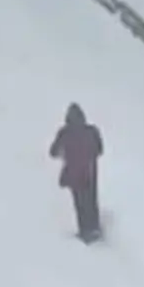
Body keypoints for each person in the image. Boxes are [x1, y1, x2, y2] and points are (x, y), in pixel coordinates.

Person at [49, 102, 104, 242]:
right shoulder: (92, 131)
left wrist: (64, 154)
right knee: (91, 199)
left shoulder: (64, 132)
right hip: (89, 171)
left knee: (79, 202)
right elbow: (99, 150)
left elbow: (53, 152)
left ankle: (85, 231)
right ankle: (95, 228)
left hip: (73, 173)